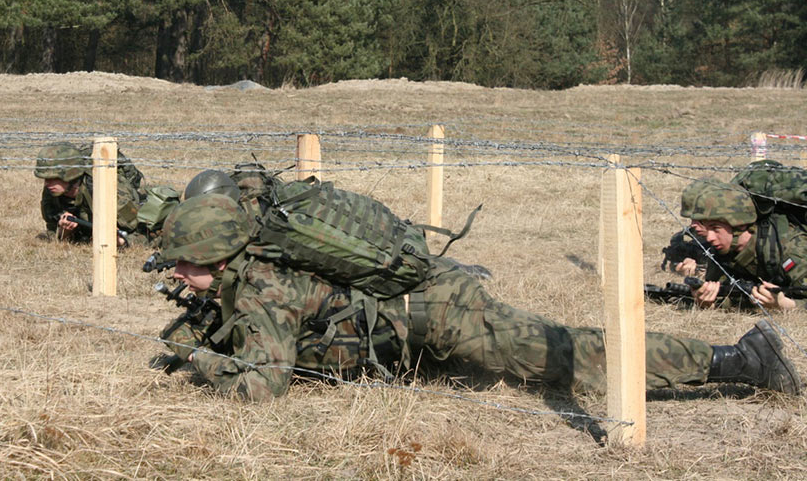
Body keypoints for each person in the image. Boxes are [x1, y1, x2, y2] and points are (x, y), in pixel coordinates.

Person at [158, 193, 801, 401]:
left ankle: (740, 360)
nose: (179, 276)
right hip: (420, 323)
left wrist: (198, 362)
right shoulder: (258, 260)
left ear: (216, 255)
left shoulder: (260, 288)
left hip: (442, 317)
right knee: (558, 362)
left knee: (573, 356)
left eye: (185, 264)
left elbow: (259, 387)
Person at [680, 176, 807, 311]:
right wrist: (708, 302)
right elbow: (730, 295)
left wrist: (785, 305)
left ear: (739, 226)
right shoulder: (723, 251)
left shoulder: (791, 248)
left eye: (715, 228)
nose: (709, 237)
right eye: (707, 228)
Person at [34, 143, 179, 246]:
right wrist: (65, 232)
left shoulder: (107, 191)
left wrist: (121, 240)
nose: (47, 183)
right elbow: (53, 231)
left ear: (70, 175)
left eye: (53, 178)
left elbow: (144, 232)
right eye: (45, 178)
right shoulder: (53, 191)